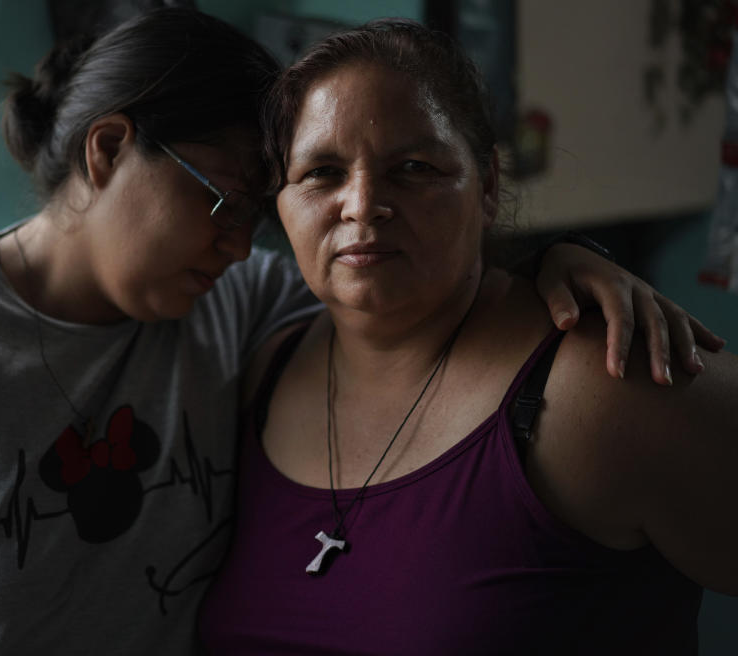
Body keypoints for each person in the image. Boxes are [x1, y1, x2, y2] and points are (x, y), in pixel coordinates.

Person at [0, 8, 722, 656]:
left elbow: (402, 287)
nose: (237, 244)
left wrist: (567, 263)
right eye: (224, 201)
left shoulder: (234, 311)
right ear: (107, 151)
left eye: (251, 215)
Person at [198, 18, 738, 654]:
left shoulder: (607, 381)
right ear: (280, 201)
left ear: (486, 187)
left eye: (415, 167)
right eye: (321, 172)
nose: (364, 203)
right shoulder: (263, 370)